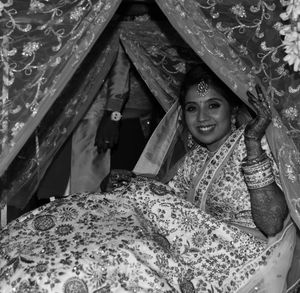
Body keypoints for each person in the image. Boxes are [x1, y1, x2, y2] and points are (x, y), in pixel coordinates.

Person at [0, 64, 297, 293]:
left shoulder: (253, 144)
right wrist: (132, 184)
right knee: (100, 231)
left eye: (213, 105)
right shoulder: (194, 158)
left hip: (236, 257)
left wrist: (254, 144)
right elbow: (168, 207)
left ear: (232, 110)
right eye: (192, 108)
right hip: (188, 249)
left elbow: (271, 223)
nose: (202, 117)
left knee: (121, 257)